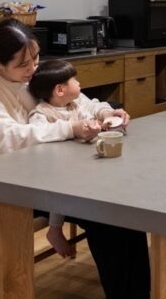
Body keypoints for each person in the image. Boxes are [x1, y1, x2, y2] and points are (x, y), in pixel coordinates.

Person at [0, 19, 150, 299]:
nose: (33, 68)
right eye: (24, 64)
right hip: (10, 188)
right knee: (106, 214)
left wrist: (106, 112)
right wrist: (70, 128)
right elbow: (8, 139)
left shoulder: (30, 74)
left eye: (35, 58)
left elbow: (79, 101)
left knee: (126, 207)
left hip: (49, 176)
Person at [27, 59, 130, 258]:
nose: (79, 83)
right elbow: (39, 135)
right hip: (57, 174)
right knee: (62, 186)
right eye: (74, 80)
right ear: (60, 90)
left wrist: (105, 120)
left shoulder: (74, 105)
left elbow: (92, 112)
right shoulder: (41, 113)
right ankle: (55, 229)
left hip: (80, 167)